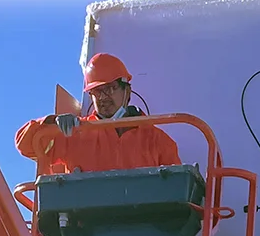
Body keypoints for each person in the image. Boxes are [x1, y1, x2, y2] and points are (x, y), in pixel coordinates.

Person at [14, 53, 180, 174]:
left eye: (110, 89)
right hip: (84, 222)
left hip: (144, 222)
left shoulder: (157, 141)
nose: (103, 97)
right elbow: (25, 145)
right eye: (97, 91)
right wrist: (52, 122)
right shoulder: (74, 134)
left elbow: (177, 191)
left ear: (127, 92)